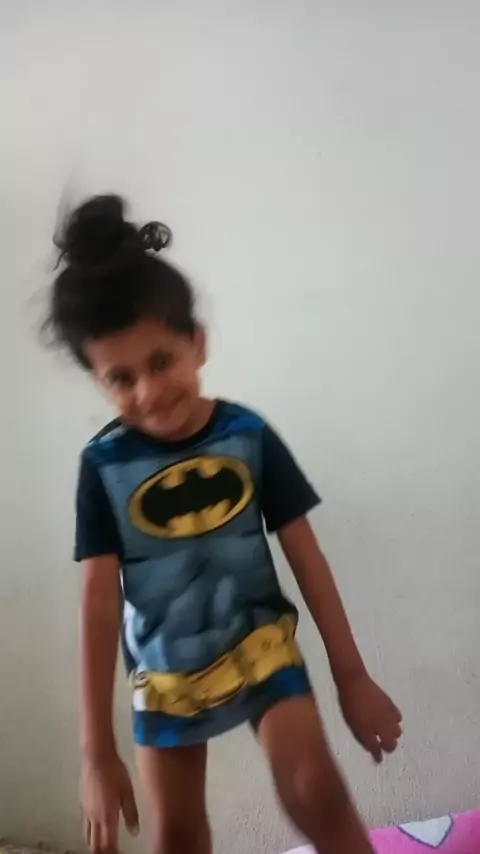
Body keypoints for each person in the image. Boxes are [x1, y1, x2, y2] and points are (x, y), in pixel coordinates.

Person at [45, 194, 402, 854]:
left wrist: (352, 677)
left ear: (198, 344)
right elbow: (97, 605)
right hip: (165, 675)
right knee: (177, 837)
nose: (148, 392)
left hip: (260, 645)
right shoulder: (104, 468)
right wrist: (96, 754)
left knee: (316, 788)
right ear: (99, 382)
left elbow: (306, 556)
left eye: (160, 362)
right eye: (121, 378)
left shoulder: (247, 436)